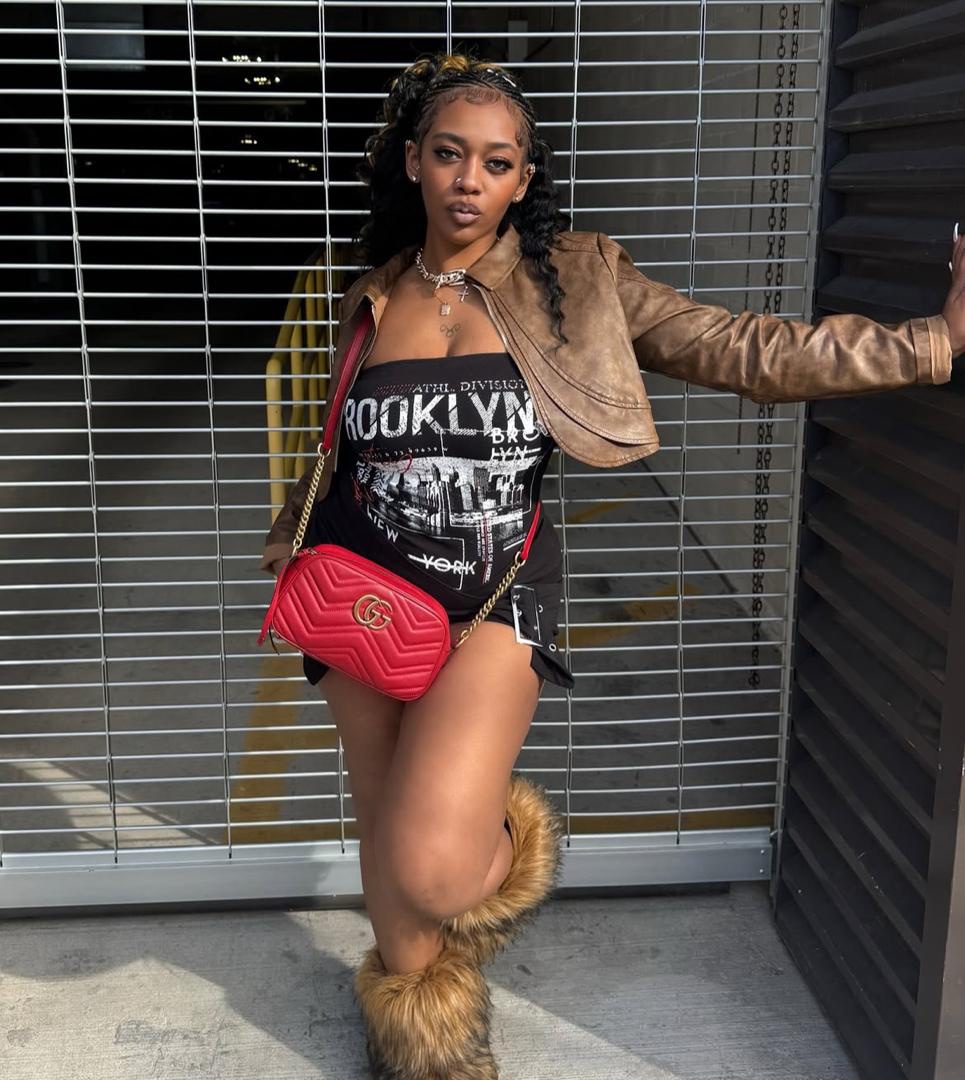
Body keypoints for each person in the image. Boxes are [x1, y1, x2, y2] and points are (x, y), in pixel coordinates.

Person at [259, 52, 965, 1079]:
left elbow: (744, 348)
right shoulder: (367, 295)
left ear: (522, 179)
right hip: (363, 593)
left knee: (436, 866)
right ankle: (425, 1050)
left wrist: (933, 342)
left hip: (494, 599)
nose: (468, 180)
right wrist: (297, 537)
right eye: (448, 154)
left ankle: (496, 834)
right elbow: (342, 447)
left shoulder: (579, 280)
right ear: (413, 162)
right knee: (386, 839)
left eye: (495, 162)